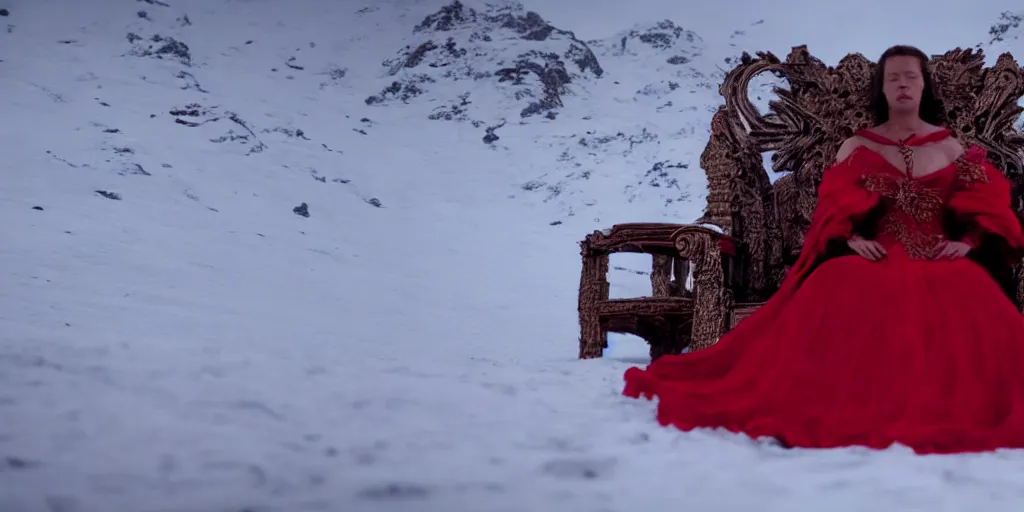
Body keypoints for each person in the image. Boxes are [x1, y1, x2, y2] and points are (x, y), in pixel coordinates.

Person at [622, 45, 1024, 454]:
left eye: (911, 77)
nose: (903, 85)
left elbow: (986, 205)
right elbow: (834, 210)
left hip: (940, 259)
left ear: (926, 85)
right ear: (881, 88)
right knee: (838, 279)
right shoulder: (856, 146)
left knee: (971, 288)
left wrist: (966, 242)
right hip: (877, 256)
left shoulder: (952, 148)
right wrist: (853, 239)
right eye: (893, 78)